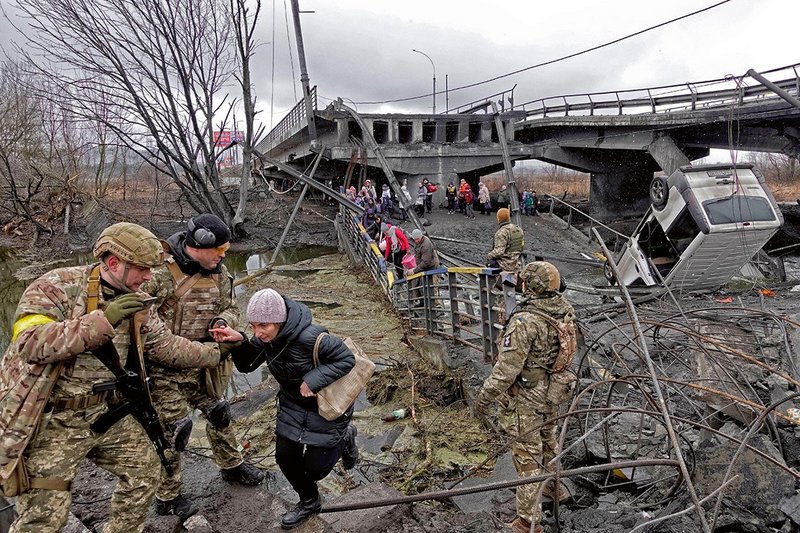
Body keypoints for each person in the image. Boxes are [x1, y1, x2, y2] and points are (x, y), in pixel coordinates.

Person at [0, 222, 227, 533]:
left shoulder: (138, 299)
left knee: (146, 472)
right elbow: (30, 345)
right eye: (142, 269)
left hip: (107, 413)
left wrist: (218, 353)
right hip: (53, 420)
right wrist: (103, 320)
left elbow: (165, 346)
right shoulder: (56, 286)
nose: (148, 277)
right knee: (44, 517)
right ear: (113, 262)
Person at [143, 214, 265, 520]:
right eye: (219, 250)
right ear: (199, 245)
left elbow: (231, 307)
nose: (224, 256)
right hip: (162, 370)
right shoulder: (159, 273)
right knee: (175, 431)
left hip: (203, 365)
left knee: (220, 412)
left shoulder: (220, 274)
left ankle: (231, 466)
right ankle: (167, 495)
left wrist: (225, 322)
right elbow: (138, 324)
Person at [210, 289, 359, 530]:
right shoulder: (266, 339)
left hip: (326, 408)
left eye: (263, 326)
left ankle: (346, 437)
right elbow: (247, 365)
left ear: (280, 321)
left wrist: (313, 379)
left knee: (316, 470)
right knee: (285, 458)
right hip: (292, 404)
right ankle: (309, 501)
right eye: (253, 325)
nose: (257, 332)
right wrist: (238, 340)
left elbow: (347, 360)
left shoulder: (312, 337)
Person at [475, 262, 577, 533]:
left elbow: (506, 370)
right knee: (549, 440)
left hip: (527, 396)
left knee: (527, 456)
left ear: (530, 286)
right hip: (553, 389)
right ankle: (555, 487)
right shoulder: (565, 310)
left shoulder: (524, 321)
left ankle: (527, 522)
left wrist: (484, 397)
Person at [487, 208, 525, 275]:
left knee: (489, 263)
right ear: (508, 218)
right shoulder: (519, 229)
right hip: (517, 264)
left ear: (498, 219)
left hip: (505, 265)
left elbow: (499, 252)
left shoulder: (501, 232)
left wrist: (489, 255)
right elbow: (522, 247)